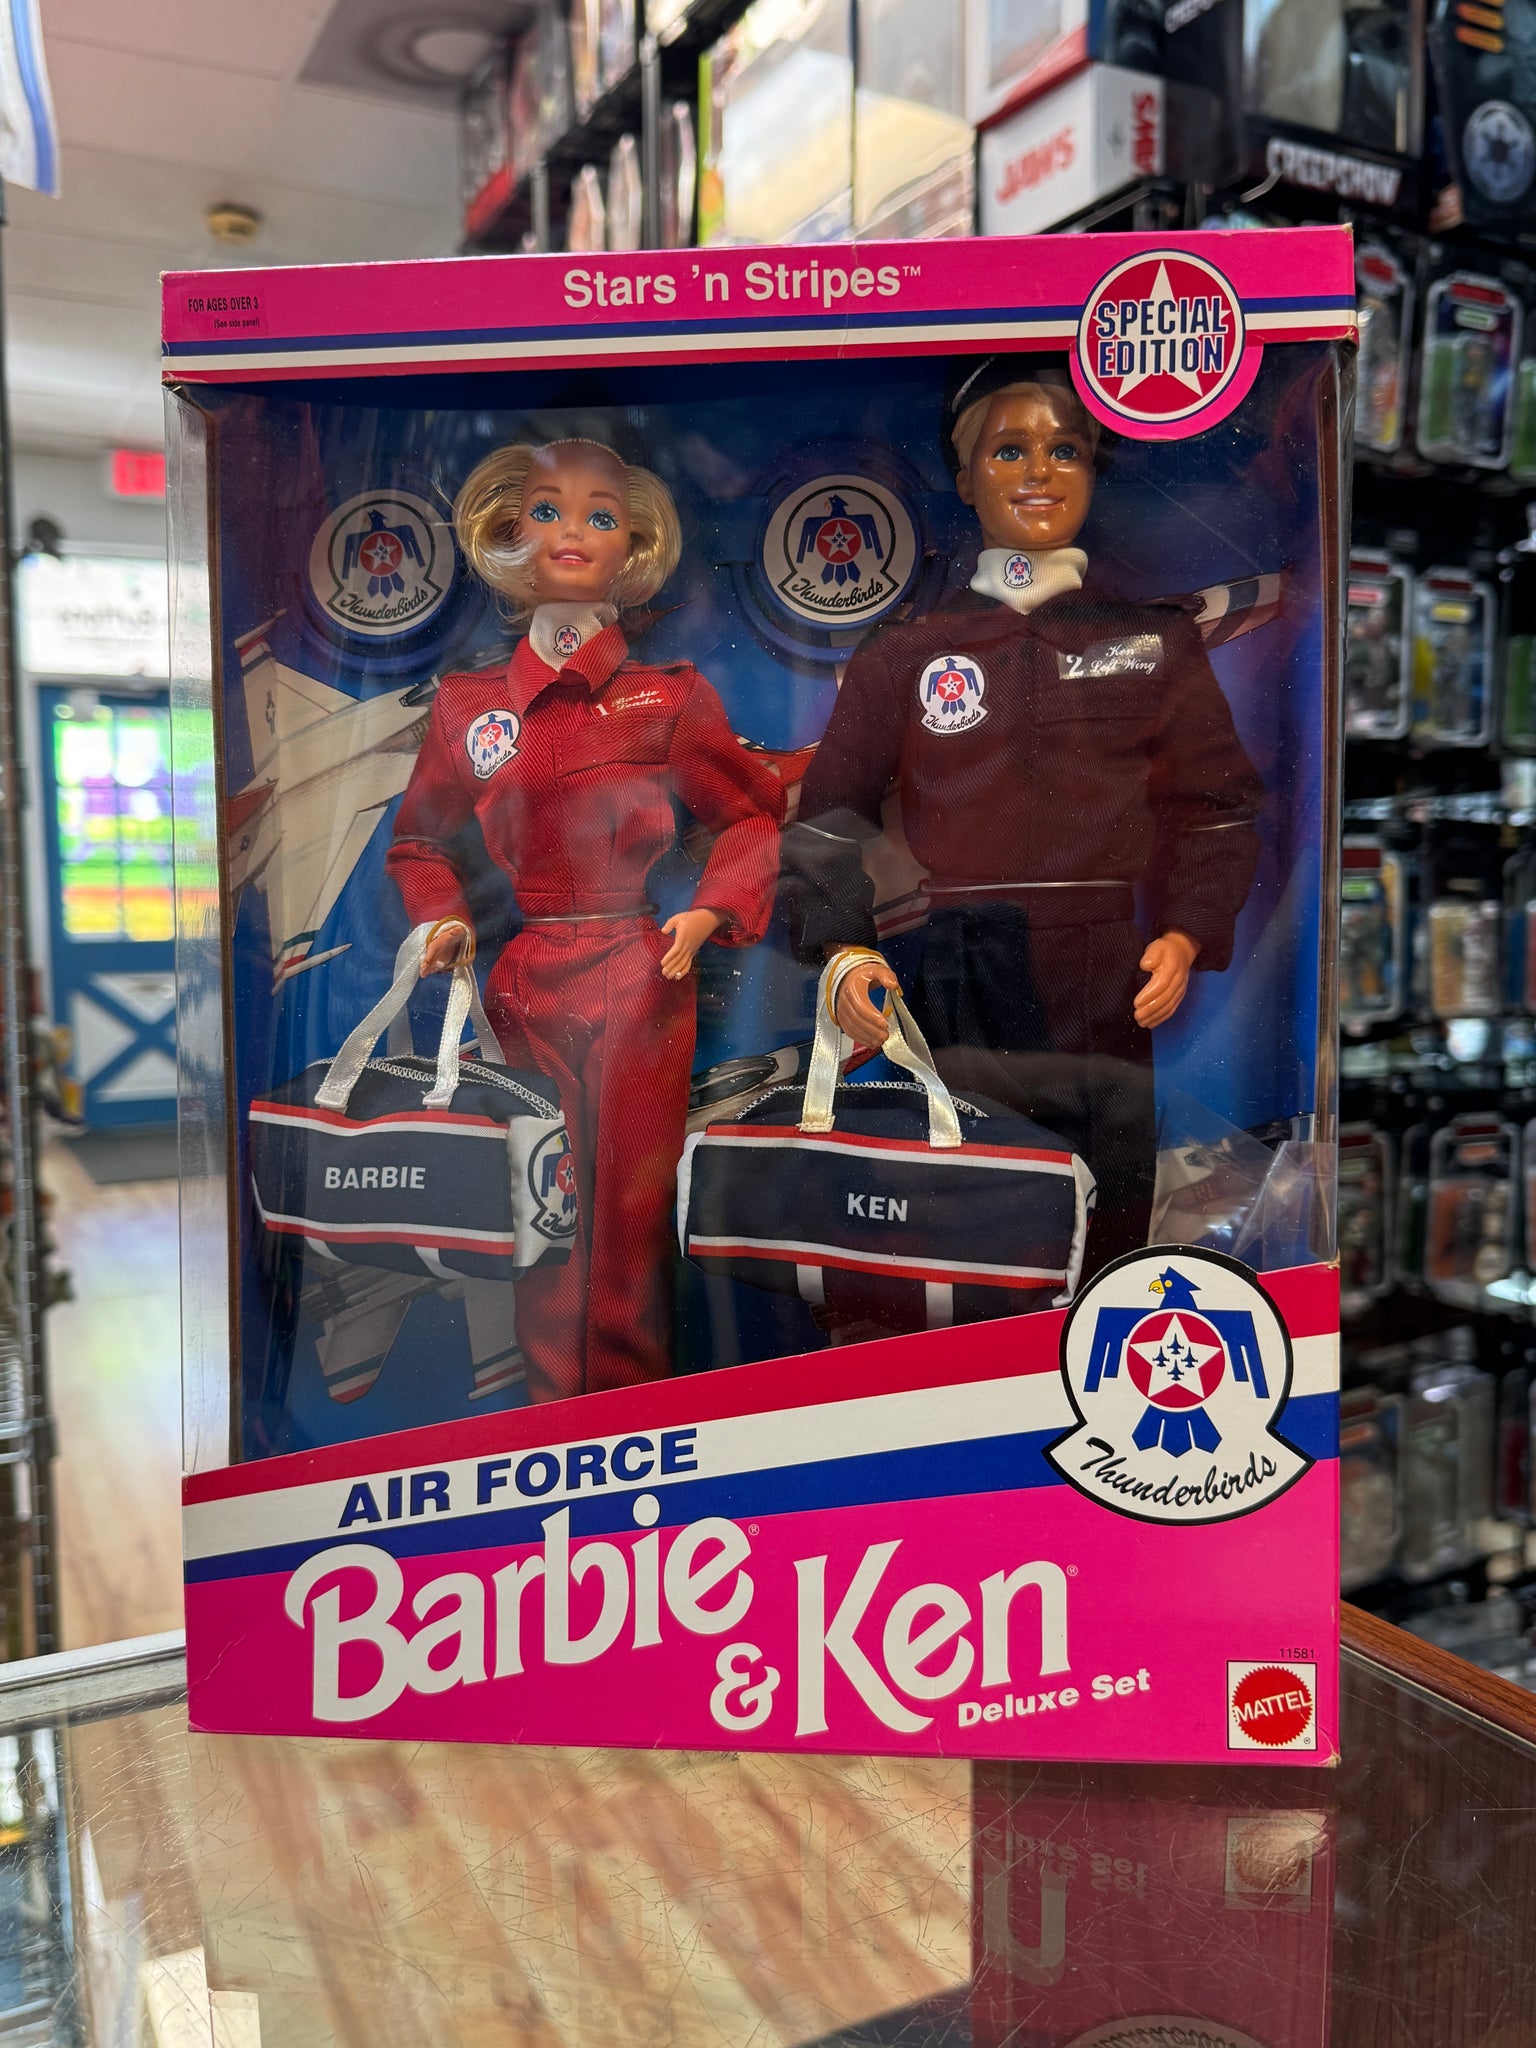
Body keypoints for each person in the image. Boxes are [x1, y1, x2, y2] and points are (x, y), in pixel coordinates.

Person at [783, 355, 1264, 1277]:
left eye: (1066, 451)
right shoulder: (911, 651)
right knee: (968, 1218)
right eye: (1009, 450)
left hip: (1106, 970)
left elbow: (1218, 805)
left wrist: (1187, 930)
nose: (1040, 471)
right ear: (965, 479)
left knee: (1109, 1222)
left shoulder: (1150, 639)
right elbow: (828, 820)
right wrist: (842, 947)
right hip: (963, 963)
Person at [387, 438, 784, 1399]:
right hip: (525, 980)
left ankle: (630, 1413)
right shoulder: (471, 707)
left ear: (633, 545)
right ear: (507, 532)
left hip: (639, 974)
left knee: (631, 1218)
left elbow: (749, 815)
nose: (572, 531)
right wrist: (440, 922)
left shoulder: (667, 698)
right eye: (546, 510)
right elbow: (419, 841)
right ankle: (552, 1413)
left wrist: (710, 912)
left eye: (601, 515)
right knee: (542, 1206)